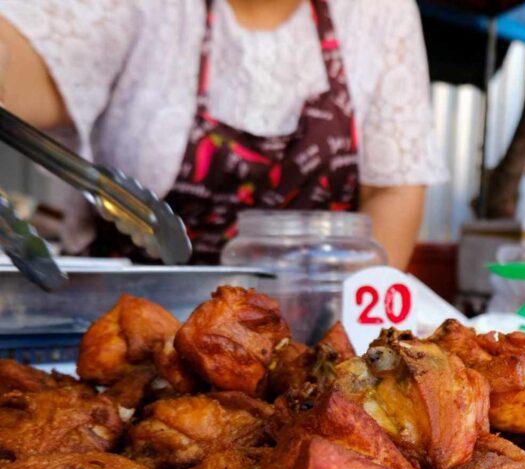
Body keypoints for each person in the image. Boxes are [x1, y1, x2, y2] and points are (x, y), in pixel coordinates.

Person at [0, 0, 447, 268]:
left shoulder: (379, 11)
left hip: (313, 348)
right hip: (122, 342)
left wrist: (345, 332)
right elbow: (21, 69)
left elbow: (394, 191)